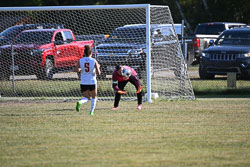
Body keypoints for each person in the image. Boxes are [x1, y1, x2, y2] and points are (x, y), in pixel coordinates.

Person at [73, 45, 101, 115]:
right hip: (92, 81)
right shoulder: (93, 60)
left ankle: (80, 102)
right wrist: (98, 67)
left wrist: (80, 69)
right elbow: (98, 73)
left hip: (83, 81)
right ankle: (91, 111)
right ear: (91, 53)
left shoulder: (81, 60)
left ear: (84, 53)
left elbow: (75, 70)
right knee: (94, 97)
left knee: (87, 97)